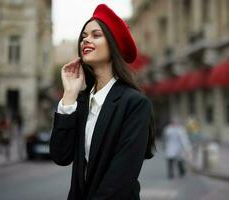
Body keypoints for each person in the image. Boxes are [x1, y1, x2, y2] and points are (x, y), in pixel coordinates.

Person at [50, 4, 155, 200]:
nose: (86, 40)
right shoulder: (79, 103)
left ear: (113, 45)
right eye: (83, 36)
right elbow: (60, 156)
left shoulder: (135, 104)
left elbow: (120, 180)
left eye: (95, 35)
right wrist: (70, 94)